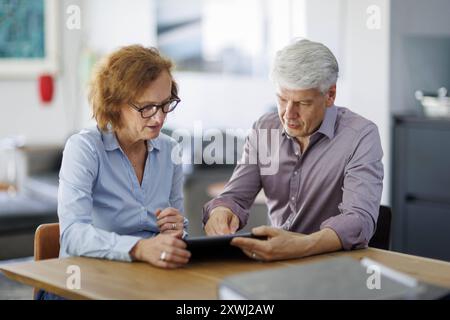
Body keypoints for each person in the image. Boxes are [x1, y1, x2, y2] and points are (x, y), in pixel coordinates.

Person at [202, 39, 384, 261]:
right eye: (282, 99)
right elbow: (235, 197)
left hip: (334, 266)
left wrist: (301, 245)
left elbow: (359, 220)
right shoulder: (264, 129)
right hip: (275, 261)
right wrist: (221, 212)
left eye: (303, 103)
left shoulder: (361, 136)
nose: (288, 114)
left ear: (330, 95)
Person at [59, 45, 191, 268]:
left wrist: (177, 230)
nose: (159, 118)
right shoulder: (84, 148)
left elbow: (176, 230)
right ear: (115, 104)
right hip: (85, 275)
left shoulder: (170, 150)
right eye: (147, 107)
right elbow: (72, 234)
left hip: (146, 274)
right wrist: (138, 248)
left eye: (166, 104)